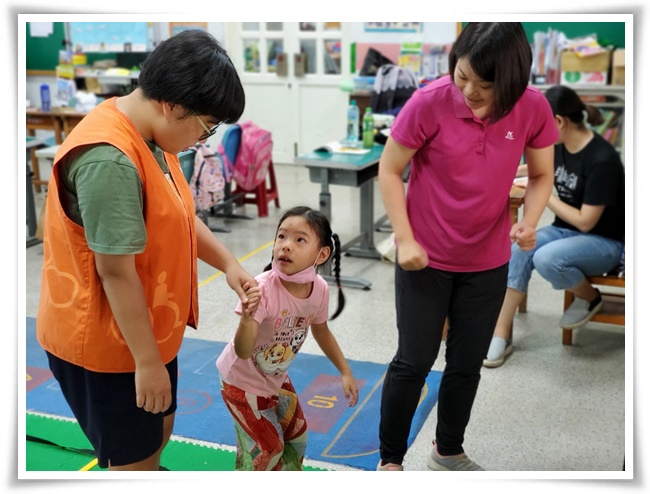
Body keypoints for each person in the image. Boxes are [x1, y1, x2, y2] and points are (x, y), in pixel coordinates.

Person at [36, 30, 259, 471]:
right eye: (207, 125)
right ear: (172, 105)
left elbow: (175, 208)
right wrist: (148, 362)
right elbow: (115, 272)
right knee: (131, 459)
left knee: (157, 432)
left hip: (145, 331)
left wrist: (229, 263)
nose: (204, 137)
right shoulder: (110, 158)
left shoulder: (150, 133)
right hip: (109, 344)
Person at [376, 22, 559, 471]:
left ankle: (448, 449)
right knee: (413, 362)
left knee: (466, 363)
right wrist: (405, 239)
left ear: (513, 82)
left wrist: (529, 222)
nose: (470, 92)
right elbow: (389, 169)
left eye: (485, 85)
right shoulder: (428, 102)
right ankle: (390, 461)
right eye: (462, 78)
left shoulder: (532, 108)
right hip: (426, 258)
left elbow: (540, 175)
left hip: (488, 261)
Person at [484, 85, 625, 368]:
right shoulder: (559, 145)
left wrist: (545, 194)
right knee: (519, 248)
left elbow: (586, 221)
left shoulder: (603, 159)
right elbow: (533, 168)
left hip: (605, 241)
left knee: (547, 257)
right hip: (565, 231)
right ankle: (500, 333)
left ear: (558, 122)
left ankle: (590, 297)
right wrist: (498, 170)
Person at [216, 206, 359, 471]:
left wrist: (345, 370)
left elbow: (321, 330)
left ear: (322, 254)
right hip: (240, 383)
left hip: (274, 376)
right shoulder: (262, 289)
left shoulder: (320, 289)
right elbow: (244, 350)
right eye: (281, 237)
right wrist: (247, 317)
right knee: (268, 449)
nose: (286, 246)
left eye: (299, 239)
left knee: (297, 438)